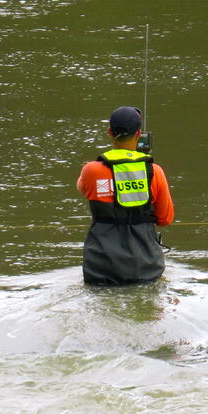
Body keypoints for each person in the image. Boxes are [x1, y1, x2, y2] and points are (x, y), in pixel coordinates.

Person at [76, 105, 174, 286]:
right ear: (138, 135)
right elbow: (165, 219)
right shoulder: (154, 171)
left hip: (100, 268)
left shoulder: (91, 170)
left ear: (109, 132)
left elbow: (82, 189)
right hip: (145, 267)